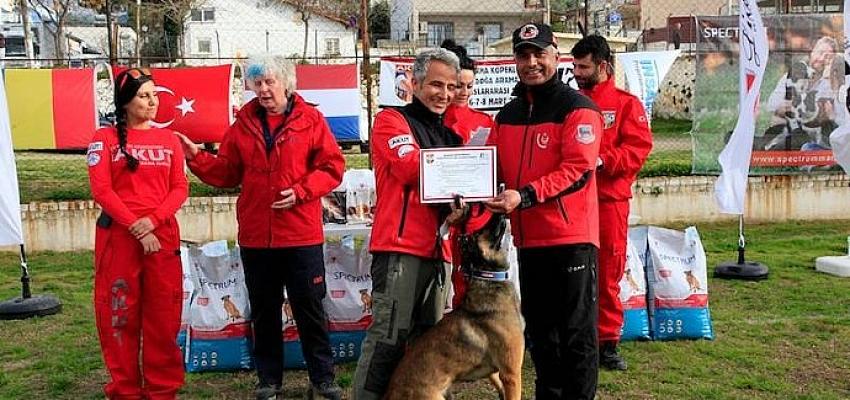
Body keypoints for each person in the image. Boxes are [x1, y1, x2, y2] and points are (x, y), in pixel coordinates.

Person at [175, 55, 345, 400]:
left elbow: (332, 168)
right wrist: (196, 157)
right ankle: (269, 381)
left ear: (286, 82)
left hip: (300, 235)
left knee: (309, 308)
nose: (264, 90)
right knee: (264, 310)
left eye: (270, 82)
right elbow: (226, 172)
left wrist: (300, 192)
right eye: (257, 83)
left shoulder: (311, 120)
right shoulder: (242, 124)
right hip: (257, 236)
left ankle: (323, 380)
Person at [484, 23, 603, 400]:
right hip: (530, 240)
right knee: (541, 334)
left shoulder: (579, 108)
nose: (531, 62)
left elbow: (577, 170)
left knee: (576, 334)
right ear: (515, 60)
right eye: (523, 55)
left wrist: (526, 195)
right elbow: (488, 168)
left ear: (556, 55)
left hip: (572, 240)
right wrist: (461, 194)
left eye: (539, 53)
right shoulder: (508, 115)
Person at [352, 48, 463, 400]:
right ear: (413, 83)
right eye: (435, 84)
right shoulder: (391, 121)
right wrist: (461, 172)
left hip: (439, 250)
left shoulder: (453, 135)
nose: (443, 94)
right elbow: (410, 167)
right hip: (399, 249)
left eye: (450, 87)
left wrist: (465, 203)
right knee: (387, 336)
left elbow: (460, 193)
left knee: (428, 345)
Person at [87, 67, 188, 399]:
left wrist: (155, 220)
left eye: (155, 95)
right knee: (119, 316)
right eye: (144, 96)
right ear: (126, 101)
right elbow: (102, 190)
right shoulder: (104, 139)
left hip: (163, 237)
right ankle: (125, 391)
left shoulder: (169, 139)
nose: (153, 102)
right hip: (120, 240)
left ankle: (162, 390)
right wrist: (137, 226)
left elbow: (179, 188)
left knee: (163, 316)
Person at [571, 34, 653, 371]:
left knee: (607, 272)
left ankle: (607, 343)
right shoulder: (571, 102)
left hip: (608, 202)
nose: (577, 72)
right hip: (573, 202)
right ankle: (575, 340)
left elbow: (639, 149)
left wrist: (603, 161)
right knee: (574, 275)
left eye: (583, 66)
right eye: (574, 66)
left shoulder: (625, 104)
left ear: (603, 66)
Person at [440, 39, 495, 144]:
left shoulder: (484, 121)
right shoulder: (429, 119)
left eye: (469, 86)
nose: (465, 92)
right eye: (459, 86)